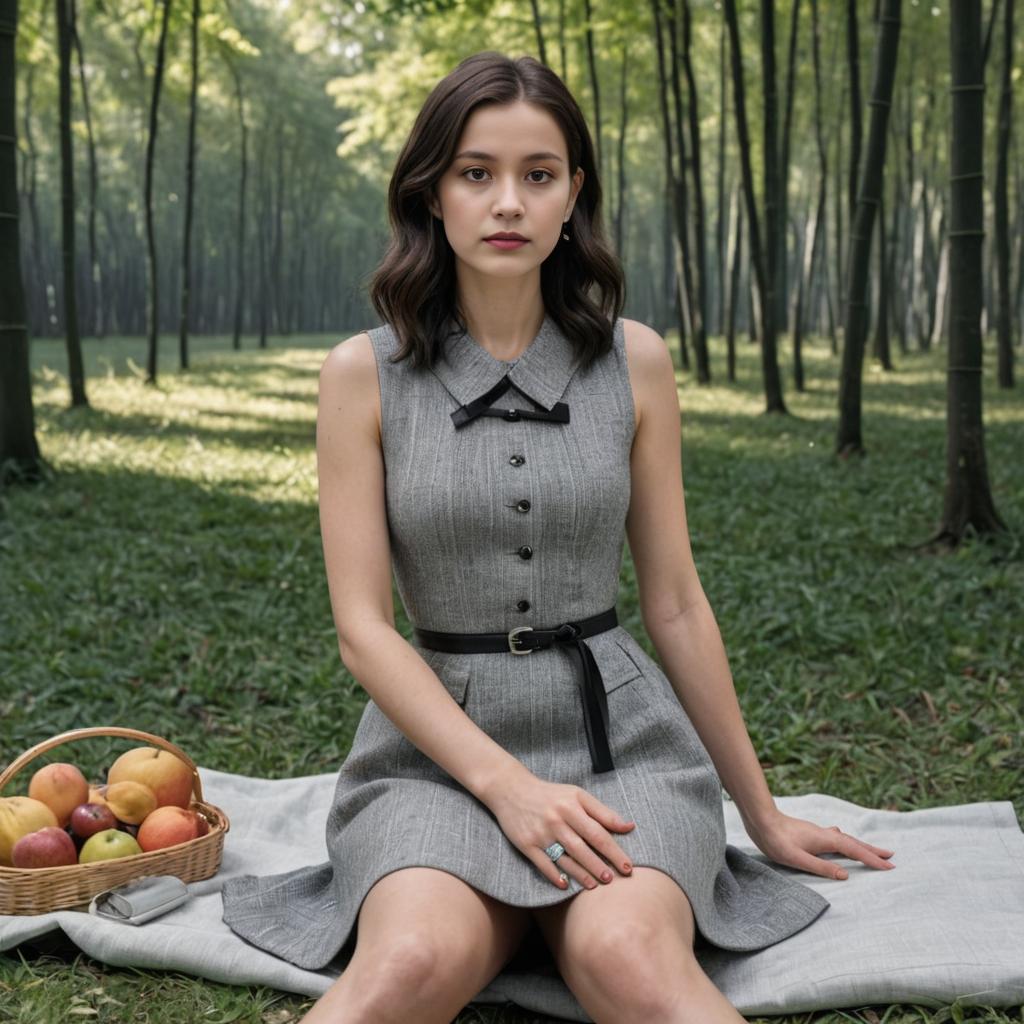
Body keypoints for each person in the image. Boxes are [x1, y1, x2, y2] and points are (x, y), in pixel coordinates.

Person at [221, 50, 896, 1023]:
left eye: (537, 175)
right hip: (435, 763)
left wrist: (761, 813)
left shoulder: (638, 362)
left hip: (622, 748)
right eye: (475, 172)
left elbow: (673, 601)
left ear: (573, 195)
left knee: (629, 959)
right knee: (407, 963)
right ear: (431, 193)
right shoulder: (358, 376)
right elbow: (362, 629)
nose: (507, 202)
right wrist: (506, 787)